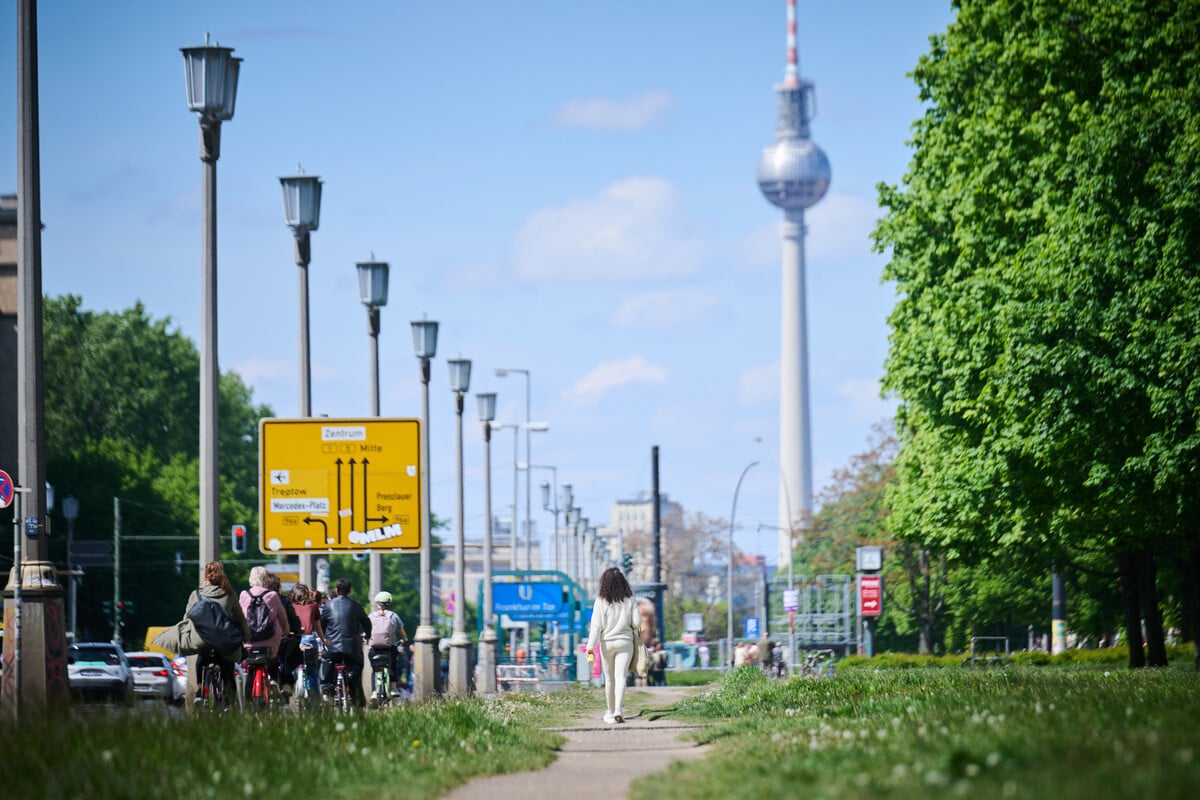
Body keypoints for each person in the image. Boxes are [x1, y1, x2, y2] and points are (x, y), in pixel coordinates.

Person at [168, 561, 248, 704]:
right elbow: (240, 618)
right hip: (223, 642)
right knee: (227, 668)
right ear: (222, 575)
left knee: (201, 657)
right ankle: (229, 703)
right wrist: (246, 637)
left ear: (206, 576)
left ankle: (199, 691)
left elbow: (187, 618)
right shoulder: (229, 593)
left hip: (203, 639)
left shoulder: (196, 594)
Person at [585, 566, 641, 725]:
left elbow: (596, 628)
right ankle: (618, 709)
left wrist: (590, 647)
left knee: (609, 679)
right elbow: (637, 622)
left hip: (607, 644)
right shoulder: (630, 599)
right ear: (623, 582)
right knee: (621, 676)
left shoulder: (600, 601)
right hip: (624, 642)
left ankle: (610, 712)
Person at [239, 566, 292, 698]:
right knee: (273, 659)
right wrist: (286, 632)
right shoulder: (272, 596)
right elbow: (283, 619)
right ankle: (273, 680)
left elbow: (238, 618)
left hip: (248, 643)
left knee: (251, 670)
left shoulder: (244, 595)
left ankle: (248, 704)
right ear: (266, 580)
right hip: (269, 644)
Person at [320, 577, 371, 707]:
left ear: (336, 590)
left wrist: (324, 638)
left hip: (332, 647)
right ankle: (358, 697)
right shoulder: (356, 605)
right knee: (356, 667)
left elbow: (322, 624)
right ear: (350, 591)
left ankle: (327, 688)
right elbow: (366, 622)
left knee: (327, 660)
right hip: (351, 648)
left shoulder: (328, 606)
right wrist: (368, 635)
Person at [266, 572, 302, 695]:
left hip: (261, 639)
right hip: (282, 637)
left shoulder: (260, 598)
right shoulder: (284, 600)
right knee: (288, 658)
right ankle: (286, 683)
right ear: (278, 587)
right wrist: (297, 631)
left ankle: (272, 680)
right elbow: (293, 619)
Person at [289, 583, 328, 697]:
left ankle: (290, 683)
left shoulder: (290, 606)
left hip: (294, 639)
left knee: (289, 664)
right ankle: (314, 702)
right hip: (309, 639)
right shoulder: (313, 605)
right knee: (311, 671)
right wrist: (323, 639)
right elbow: (317, 626)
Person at [368, 591, 408, 697]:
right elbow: (402, 632)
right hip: (389, 648)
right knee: (393, 665)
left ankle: (374, 692)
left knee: (375, 669)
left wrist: (367, 639)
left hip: (375, 649)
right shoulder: (394, 616)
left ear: (377, 604)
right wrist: (405, 639)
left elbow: (367, 631)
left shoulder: (371, 616)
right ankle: (394, 688)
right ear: (389, 603)